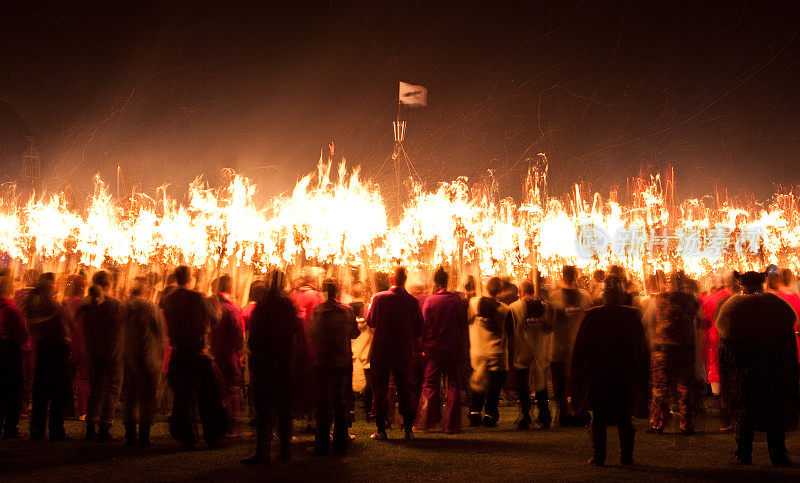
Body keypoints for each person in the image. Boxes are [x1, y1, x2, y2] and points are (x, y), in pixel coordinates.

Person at [717, 270, 799, 466]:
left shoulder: (733, 307)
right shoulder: (778, 305)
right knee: (774, 413)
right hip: (773, 370)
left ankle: (743, 453)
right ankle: (778, 454)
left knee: (745, 412)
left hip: (745, 372)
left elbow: (726, 346)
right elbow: (788, 341)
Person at [570, 275, 650, 466]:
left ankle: (602, 457)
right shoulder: (630, 316)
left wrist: (580, 374)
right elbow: (641, 348)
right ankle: (623, 457)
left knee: (603, 416)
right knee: (619, 416)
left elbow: (580, 350)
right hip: (619, 373)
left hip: (603, 374)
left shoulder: (595, 315)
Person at [161, 266, 227, 449]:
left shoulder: (168, 299)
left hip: (178, 352)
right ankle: (212, 435)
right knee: (207, 396)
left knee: (182, 398)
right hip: (195, 352)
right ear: (189, 278)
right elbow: (211, 320)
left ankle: (186, 436)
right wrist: (214, 305)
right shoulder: (195, 297)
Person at [243, 270, 303, 465]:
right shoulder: (287, 304)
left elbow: (255, 330)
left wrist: (253, 350)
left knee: (264, 409)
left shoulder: (264, 304)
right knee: (283, 409)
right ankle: (285, 451)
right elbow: (294, 333)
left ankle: (263, 451)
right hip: (282, 361)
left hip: (264, 361)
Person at [366, 266, 423, 441]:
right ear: (405, 279)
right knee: (405, 387)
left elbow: (370, 321)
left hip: (381, 348)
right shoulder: (412, 302)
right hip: (403, 349)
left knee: (380, 387)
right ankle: (407, 428)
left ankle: (381, 429)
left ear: (391, 279)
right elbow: (419, 328)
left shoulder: (379, 298)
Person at [307, 279, 359, 455]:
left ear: (324, 291)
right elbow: (354, 333)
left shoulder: (318, 311)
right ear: (337, 291)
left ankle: (321, 444)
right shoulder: (347, 310)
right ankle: (340, 442)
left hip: (323, 361)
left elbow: (312, 333)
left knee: (323, 403)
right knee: (340, 402)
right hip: (342, 361)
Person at [646, 272, 700, 435]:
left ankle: (657, 423)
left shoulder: (658, 299)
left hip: (663, 349)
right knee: (684, 386)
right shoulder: (692, 301)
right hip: (685, 349)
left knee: (661, 387)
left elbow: (648, 321)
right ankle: (686, 424)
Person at [416, 267, 463, 434]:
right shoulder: (456, 300)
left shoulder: (430, 301)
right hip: (451, 347)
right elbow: (460, 325)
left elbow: (424, 325)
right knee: (454, 385)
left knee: (429, 384)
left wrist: (423, 345)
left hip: (433, 349)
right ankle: (452, 425)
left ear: (435, 282)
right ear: (447, 282)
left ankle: (425, 421)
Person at [77, 270, 123, 442]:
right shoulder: (113, 304)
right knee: (111, 389)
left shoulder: (85, 305)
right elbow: (121, 328)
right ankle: (105, 427)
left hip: (93, 352)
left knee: (95, 389)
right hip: (112, 352)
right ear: (109, 284)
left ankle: (90, 426)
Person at [25, 273, 71, 441]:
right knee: (58, 393)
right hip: (56, 353)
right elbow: (62, 330)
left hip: (41, 353)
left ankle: (37, 430)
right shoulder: (53, 307)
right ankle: (56, 430)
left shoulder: (32, 305)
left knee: (40, 394)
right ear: (49, 287)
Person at [120, 277, 165, 446]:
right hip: (147, 357)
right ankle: (144, 435)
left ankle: (130, 433)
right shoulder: (150, 306)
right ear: (144, 289)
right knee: (147, 397)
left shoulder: (123, 306)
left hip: (127, 357)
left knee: (130, 396)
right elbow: (160, 333)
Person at [549, 265, 591, 426]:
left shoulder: (555, 297)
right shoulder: (585, 297)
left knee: (560, 384)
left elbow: (550, 324)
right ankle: (580, 413)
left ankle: (563, 414)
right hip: (579, 348)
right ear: (576, 276)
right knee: (579, 382)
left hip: (559, 348)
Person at [508, 280, 553, 429]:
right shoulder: (544, 307)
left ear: (520, 291)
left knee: (523, 386)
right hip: (539, 351)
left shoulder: (514, 308)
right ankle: (544, 415)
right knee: (541, 384)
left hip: (522, 351)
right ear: (533, 291)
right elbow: (548, 328)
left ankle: (525, 415)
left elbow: (510, 331)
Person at [468, 276, 512, 428]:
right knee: (494, 386)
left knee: (478, 382)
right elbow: (510, 332)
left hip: (477, 352)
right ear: (500, 291)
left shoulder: (473, 304)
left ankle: (474, 412)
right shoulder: (504, 310)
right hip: (496, 353)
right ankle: (490, 414)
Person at [208, 275, 245, 436]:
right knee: (231, 389)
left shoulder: (209, 305)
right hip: (229, 355)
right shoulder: (232, 308)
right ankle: (230, 426)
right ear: (230, 287)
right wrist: (241, 351)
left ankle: (217, 425)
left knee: (215, 389)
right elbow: (238, 335)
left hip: (212, 354)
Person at [0, 270, 27, 439]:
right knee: (13, 393)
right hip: (10, 354)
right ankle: (10, 428)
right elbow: (22, 335)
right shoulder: (11, 310)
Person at [62, 274, 88, 421]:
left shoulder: (64, 304)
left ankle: (67, 409)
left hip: (66, 345)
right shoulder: (83, 305)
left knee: (67, 378)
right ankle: (83, 411)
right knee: (83, 378)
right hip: (82, 346)